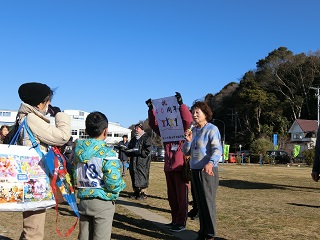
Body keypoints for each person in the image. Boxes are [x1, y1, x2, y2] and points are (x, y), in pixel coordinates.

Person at [17, 82, 71, 240]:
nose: (49, 105)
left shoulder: (24, 116)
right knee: (34, 230)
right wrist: (60, 115)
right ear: (40, 103)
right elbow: (62, 136)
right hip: (35, 179)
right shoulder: (32, 118)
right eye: (48, 102)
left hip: (29, 177)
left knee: (32, 226)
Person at [73, 111, 126, 240]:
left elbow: (75, 175)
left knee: (84, 236)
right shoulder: (108, 154)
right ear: (106, 131)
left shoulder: (78, 152)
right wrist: (121, 185)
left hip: (84, 201)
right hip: (103, 202)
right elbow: (113, 183)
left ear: (86, 130)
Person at [146, 92, 193, 232]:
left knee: (181, 197)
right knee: (172, 197)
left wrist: (181, 104)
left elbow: (187, 119)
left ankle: (181, 222)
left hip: (180, 167)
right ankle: (174, 220)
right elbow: (153, 125)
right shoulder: (166, 132)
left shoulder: (183, 130)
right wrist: (150, 109)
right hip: (168, 167)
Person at [182, 100, 222, 240]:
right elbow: (186, 152)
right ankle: (203, 232)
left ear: (205, 113)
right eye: (193, 112)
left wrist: (211, 163)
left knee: (207, 202)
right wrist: (188, 140)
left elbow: (218, 150)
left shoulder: (212, 129)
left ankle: (210, 234)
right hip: (195, 170)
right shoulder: (193, 130)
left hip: (208, 171)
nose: (194, 115)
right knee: (199, 202)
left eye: (197, 112)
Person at [125, 123, 152, 200]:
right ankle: (136, 191)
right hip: (133, 161)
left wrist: (139, 151)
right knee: (134, 175)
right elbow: (129, 148)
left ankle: (143, 193)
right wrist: (125, 150)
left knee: (142, 175)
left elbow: (148, 151)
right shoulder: (133, 139)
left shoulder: (146, 138)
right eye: (135, 128)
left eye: (137, 128)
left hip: (142, 162)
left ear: (141, 129)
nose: (135, 130)